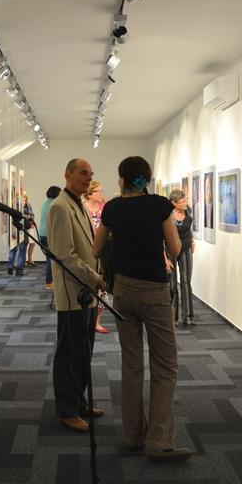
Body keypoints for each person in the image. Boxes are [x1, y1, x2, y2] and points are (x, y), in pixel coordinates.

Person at [93, 156, 192, 462]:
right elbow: (175, 248)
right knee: (165, 365)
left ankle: (133, 436)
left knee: (131, 364)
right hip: (154, 292)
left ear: (122, 179)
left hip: (123, 290)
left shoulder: (112, 208)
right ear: (146, 179)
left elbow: (96, 249)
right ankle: (159, 441)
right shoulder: (159, 205)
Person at [48, 158, 106, 433]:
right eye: (83, 173)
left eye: (90, 174)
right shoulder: (60, 206)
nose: (88, 178)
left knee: (84, 352)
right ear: (68, 174)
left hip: (86, 292)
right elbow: (65, 256)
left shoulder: (77, 203)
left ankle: (78, 401)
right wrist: (95, 278)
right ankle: (66, 410)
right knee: (69, 354)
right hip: (73, 293)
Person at [84, 181, 109, 334]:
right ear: (89, 193)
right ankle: (86, 319)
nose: (101, 193)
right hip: (87, 250)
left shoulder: (104, 207)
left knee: (103, 287)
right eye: (97, 191)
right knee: (88, 284)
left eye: (101, 190)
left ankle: (97, 322)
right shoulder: (82, 208)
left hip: (103, 252)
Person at [168, 189, 195, 326]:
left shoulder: (188, 211)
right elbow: (162, 234)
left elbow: (189, 229)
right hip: (171, 250)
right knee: (172, 284)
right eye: (182, 201)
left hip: (185, 248)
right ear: (174, 203)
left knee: (186, 281)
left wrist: (192, 241)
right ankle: (173, 317)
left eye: (185, 200)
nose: (185, 203)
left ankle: (188, 316)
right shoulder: (168, 214)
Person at [40, 186, 61, 290]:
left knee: (49, 258)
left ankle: (50, 281)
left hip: (42, 234)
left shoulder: (45, 203)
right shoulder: (54, 204)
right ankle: (49, 282)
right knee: (51, 259)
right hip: (49, 234)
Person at [23, 193, 37, 268]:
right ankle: (23, 260)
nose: (24, 198)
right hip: (24, 227)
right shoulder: (19, 205)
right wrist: (29, 219)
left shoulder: (28, 205)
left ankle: (30, 259)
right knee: (24, 244)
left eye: (25, 197)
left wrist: (32, 222)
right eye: (23, 196)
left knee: (33, 243)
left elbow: (32, 214)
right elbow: (23, 216)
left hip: (30, 226)